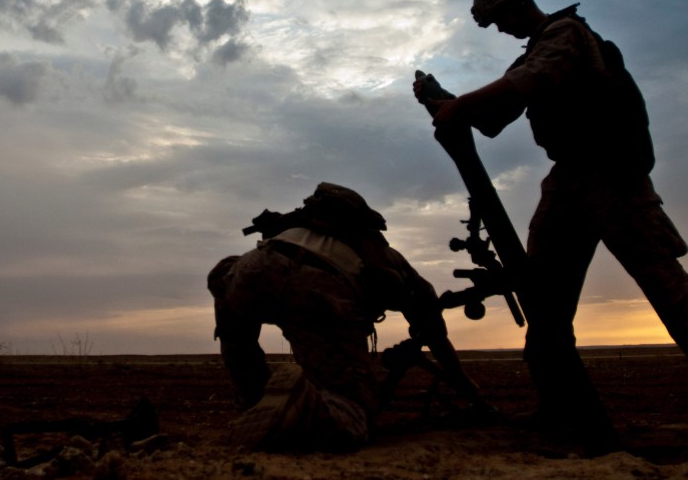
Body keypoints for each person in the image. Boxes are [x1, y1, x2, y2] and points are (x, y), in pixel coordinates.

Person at [414, 0, 688, 452]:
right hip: (568, 183)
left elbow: (527, 81)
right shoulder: (536, 50)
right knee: (545, 304)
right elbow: (495, 120)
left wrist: (463, 106)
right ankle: (558, 403)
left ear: (519, 4)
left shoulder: (566, 35)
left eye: (500, 20)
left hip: (613, 178)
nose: (500, 30)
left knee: (668, 291)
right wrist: (446, 104)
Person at [207, 182, 490, 451]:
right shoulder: (387, 258)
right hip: (319, 287)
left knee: (230, 296)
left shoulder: (291, 232)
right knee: (351, 413)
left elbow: (219, 277)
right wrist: (463, 384)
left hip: (252, 268)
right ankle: (297, 406)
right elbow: (433, 330)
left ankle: (255, 405)